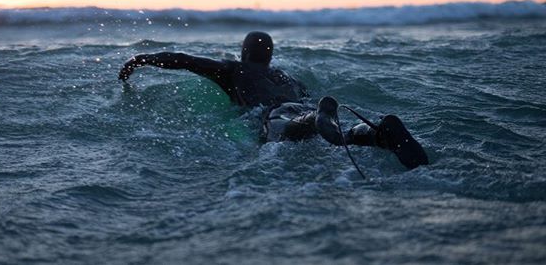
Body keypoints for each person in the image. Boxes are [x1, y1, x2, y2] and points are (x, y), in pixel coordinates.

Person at [119, 31, 428, 170]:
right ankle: (377, 134)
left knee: (290, 128)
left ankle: (316, 119)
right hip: (302, 105)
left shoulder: (233, 70)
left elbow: (183, 59)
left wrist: (140, 60)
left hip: (278, 114)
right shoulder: (287, 78)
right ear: (269, 55)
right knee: (336, 136)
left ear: (244, 52)